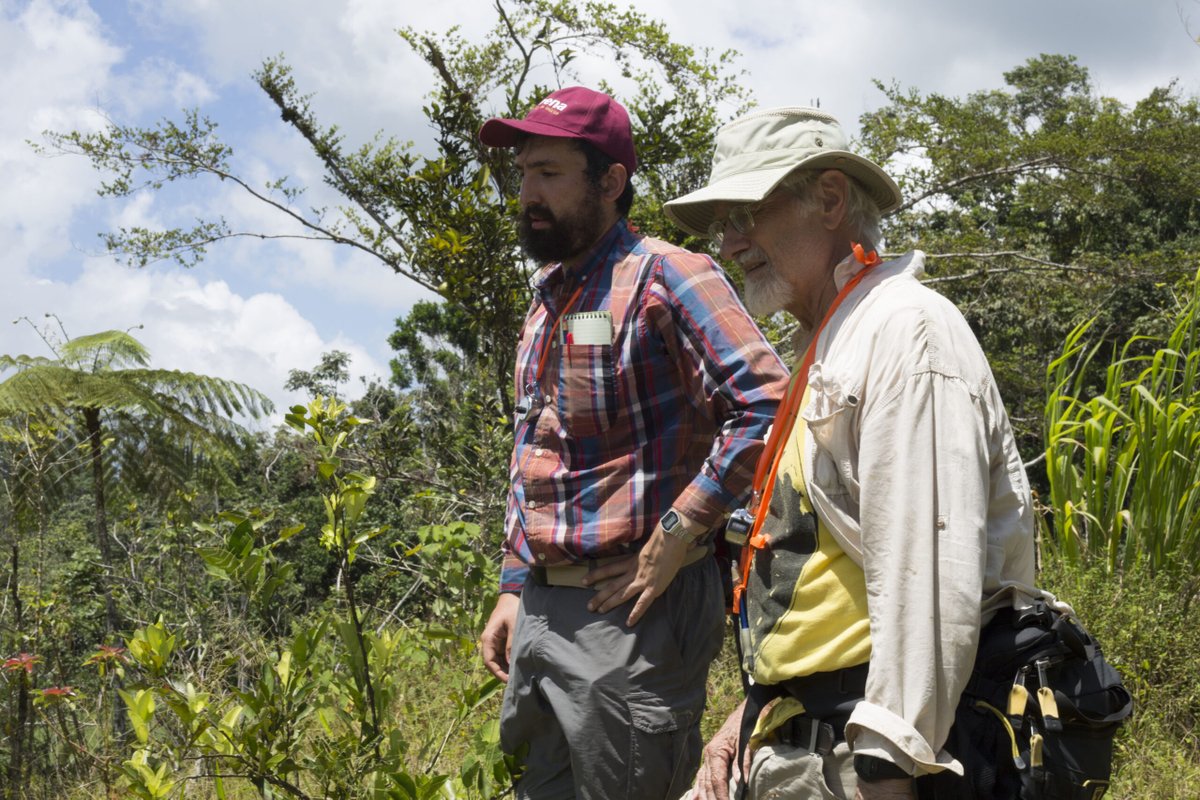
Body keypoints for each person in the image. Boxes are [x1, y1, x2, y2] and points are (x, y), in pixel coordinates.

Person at [662, 107, 1039, 800]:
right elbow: (825, 585)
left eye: (746, 212)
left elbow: (928, 575)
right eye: (724, 225)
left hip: (865, 761)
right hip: (802, 744)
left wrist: (889, 765)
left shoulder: (904, 332)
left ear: (831, 200)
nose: (731, 241)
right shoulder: (830, 343)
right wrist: (747, 722)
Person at [476, 87, 789, 800]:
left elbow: (767, 405)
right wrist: (514, 583)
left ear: (610, 182)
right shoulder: (549, 295)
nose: (528, 192)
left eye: (550, 173)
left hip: (634, 612)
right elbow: (538, 444)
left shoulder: (669, 275)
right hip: (542, 611)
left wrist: (680, 530)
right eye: (524, 173)